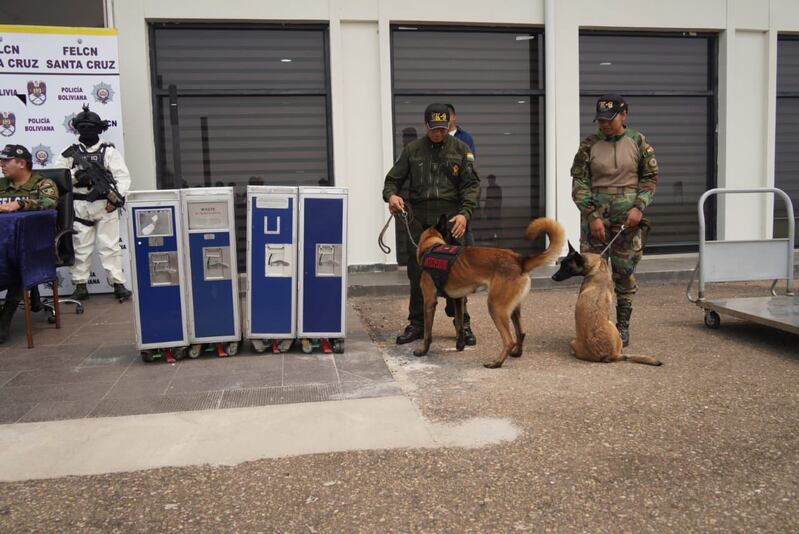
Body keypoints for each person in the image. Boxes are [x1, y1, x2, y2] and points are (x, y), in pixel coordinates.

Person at [383, 103, 480, 345]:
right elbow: (392, 180)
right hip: (420, 220)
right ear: (426, 125)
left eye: (443, 128)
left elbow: (472, 186)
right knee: (418, 273)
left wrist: (465, 214)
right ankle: (417, 324)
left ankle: (462, 324)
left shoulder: (461, 149)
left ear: (449, 124)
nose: (439, 133)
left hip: (451, 218)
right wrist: (392, 196)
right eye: (434, 129)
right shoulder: (412, 150)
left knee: (458, 271)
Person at [570, 94, 658, 347]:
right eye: (600, 120)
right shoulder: (588, 145)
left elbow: (650, 178)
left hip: (627, 221)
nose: (604, 125)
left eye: (609, 120)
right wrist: (591, 215)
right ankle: (591, 324)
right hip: (595, 221)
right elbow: (579, 183)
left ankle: (622, 327)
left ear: (624, 115)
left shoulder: (638, 142)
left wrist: (639, 207)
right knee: (591, 276)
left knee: (624, 274)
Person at [54, 104, 131, 301]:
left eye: (90, 127)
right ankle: (80, 285)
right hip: (80, 205)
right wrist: (76, 176)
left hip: (105, 205)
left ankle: (118, 284)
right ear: (77, 128)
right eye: (82, 127)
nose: (86, 130)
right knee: (81, 246)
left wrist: (117, 198)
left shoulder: (109, 151)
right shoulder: (69, 152)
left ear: (99, 129)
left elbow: (123, 178)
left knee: (110, 246)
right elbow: (58, 176)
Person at [0, 144, 59, 343]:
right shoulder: (1, 185)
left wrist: (22, 203)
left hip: (35, 247)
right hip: (3, 246)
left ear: (22, 163)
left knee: (18, 265)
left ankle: (5, 320)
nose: (2, 165)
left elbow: (50, 202)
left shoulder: (43, 183)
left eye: (6, 161)